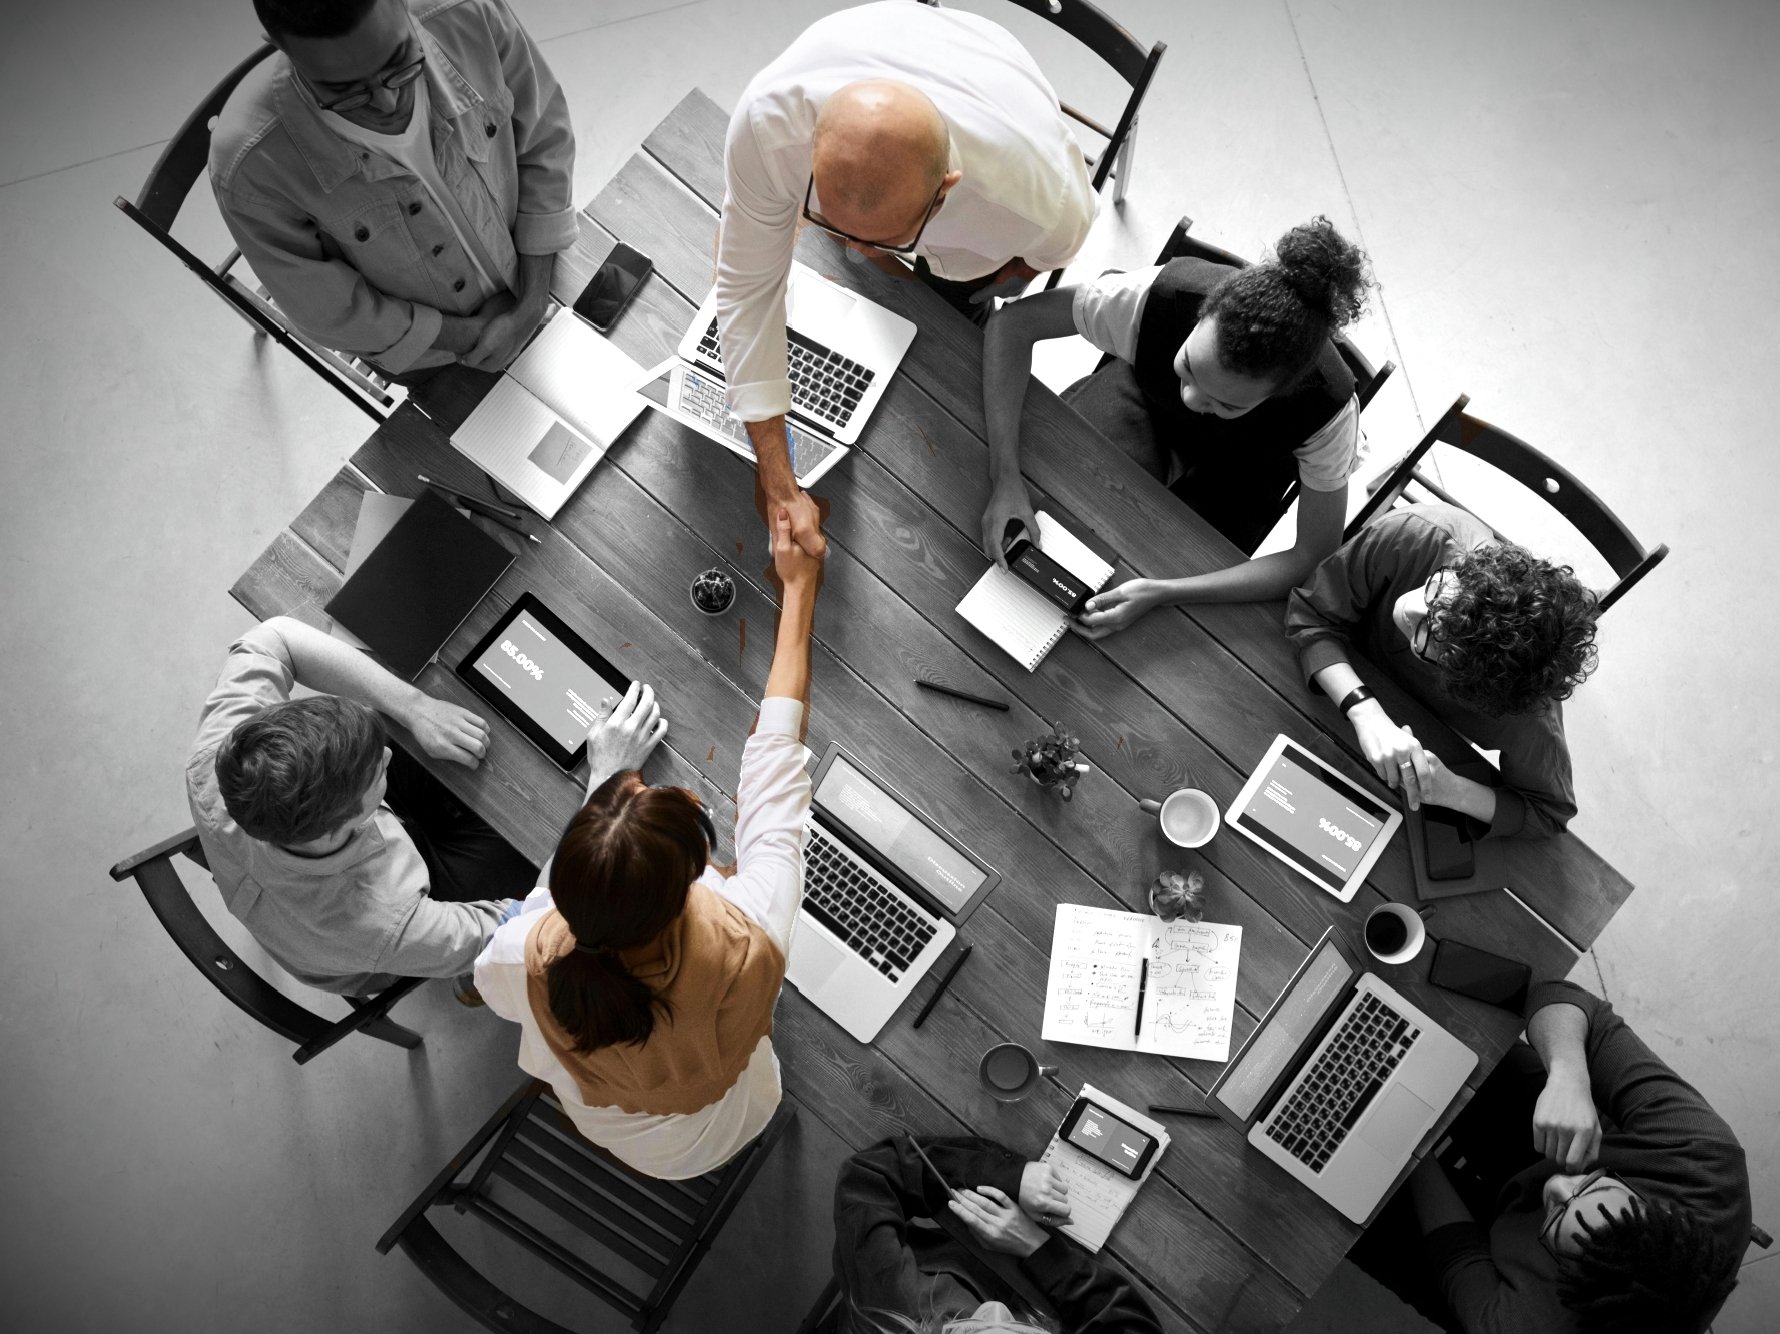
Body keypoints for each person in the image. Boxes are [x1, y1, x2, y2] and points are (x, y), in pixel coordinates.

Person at [474, 512, 821, 1178]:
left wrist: (601, 778)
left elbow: (498, 978)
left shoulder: (527, 951)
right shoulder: (751, 935)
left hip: (622, 1131)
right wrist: (801, 588)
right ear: (693, 883)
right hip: (726, 1120)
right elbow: (778, 759)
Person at [718, 1, 1097, 558]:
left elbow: (1040, 258)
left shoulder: (1040, 204)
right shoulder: (765, 125)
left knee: (950, 357)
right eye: (830, 222)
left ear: (945, 190)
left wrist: (1005, 280)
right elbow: (746, 290)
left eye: (878, 240)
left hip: (997, 101)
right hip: (898, 69)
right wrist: (778, 480)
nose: (851, 250)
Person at [982, 217, 1375, 629]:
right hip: (1144, 401)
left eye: (1225, 402)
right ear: (1203, 314)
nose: (1190, 398)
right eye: (1188, 366)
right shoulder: (1157, 298)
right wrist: (1004, 475)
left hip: (1246, 472)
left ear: (1281, 393)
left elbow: (1310, 557)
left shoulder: (1327, 413)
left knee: (1169, 584)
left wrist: (1165, 592)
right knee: (1055, 494)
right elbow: (1013, 324)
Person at [1344, 982, 1752, 1333]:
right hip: (1566, 1138)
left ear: (1562, 1276)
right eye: (1594, 1184)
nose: (1557, 1184)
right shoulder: (1702, 1157)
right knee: (1455, 1039)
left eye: (1558, 1217)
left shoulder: (1525, 1325)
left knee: (1356, 1209)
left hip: (1492, 1257)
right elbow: (1559, 996)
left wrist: (1411, 1146)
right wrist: (1567, 1074)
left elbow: (1458, 1252)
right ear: (1651, 1202)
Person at [211, 0, 576, 382]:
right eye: (344, 91)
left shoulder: (466, 12)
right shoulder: (249, 166)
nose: (387, 102)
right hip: (435, 358)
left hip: (543, 269)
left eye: (399, 60)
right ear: (278, 45)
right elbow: (329, 311)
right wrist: (472, 336)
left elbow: (545, 136)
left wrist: (532, 302)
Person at [186, 616, 535, 997]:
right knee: (532, 856)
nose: (386, 755)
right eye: (376, 772)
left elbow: (276, 635)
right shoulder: (383, 924)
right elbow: (524, 934)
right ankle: (469, 980)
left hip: (298, 888)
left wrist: (414, 708)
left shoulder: (228, 751)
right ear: (343, 825)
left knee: (400, 725)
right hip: (370, 948)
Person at [1284, 503, 1599, 838]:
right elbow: (1310, 613)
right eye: (1438, 591)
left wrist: (1452, 790)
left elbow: (1548, 813)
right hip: (1315, 693)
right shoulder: (1417, 534)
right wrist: (1365, 712)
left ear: (1465, 682)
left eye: (1430, 637)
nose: (1409, 608)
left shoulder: (1527, 713)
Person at [834, 1133, 1162, 1334]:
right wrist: (1037, 1248)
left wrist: (1010, 1176)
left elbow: (869, 1177)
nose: (996, 1310)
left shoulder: (891, 1304)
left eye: (964, 1331)